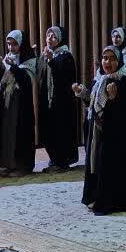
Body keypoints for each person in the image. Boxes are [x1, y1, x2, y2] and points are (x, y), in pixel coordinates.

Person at [73, 46, 126, 215]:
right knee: (95, 163)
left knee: (109, 164)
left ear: (119, 61)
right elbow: (94, 105)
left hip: (116, 136)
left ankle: (111, 200)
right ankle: (95, 195)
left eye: (112, 58)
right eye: (105, 58)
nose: (107, 62)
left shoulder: (125, 81)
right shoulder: (99, 80)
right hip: (98, 131)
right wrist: (83, 94)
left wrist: (115, 98)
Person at [0, 30, 36, 176]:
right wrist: (0, 66)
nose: (11, 47)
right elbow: (2, 79)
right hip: (7, 101)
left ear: (21, 44)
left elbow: (26, 80)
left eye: (14, 44)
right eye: (9, 44)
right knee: (7, 132)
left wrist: (12, 67)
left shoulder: (29, 59)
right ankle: (9, 164)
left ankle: (23, 166)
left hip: (21, 104)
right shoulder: (9, 57)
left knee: (20, 133)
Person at [36, 26, 78, 172]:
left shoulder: (66, 56)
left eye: (54, 36)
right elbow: (40, 76)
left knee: (60, 130)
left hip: (62, 102)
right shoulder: (45, 54)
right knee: (48, 130)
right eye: (48, 35)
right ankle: (54, 159)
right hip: (47, 100)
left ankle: (62, 162)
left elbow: (64, 78)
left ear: (60, 39)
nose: (50, 38)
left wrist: (51, 60)